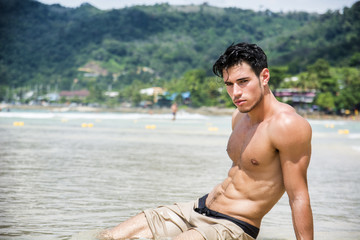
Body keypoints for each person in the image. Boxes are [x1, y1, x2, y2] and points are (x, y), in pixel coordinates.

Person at [98, 42, 313, 240]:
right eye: (229, 84)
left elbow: (298, 196)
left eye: (243, 82)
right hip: (197, 208)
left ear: (264, 77)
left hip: (233, 226)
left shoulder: (287, 125)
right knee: (108, 237)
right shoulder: (238, 117)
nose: (235, 93)